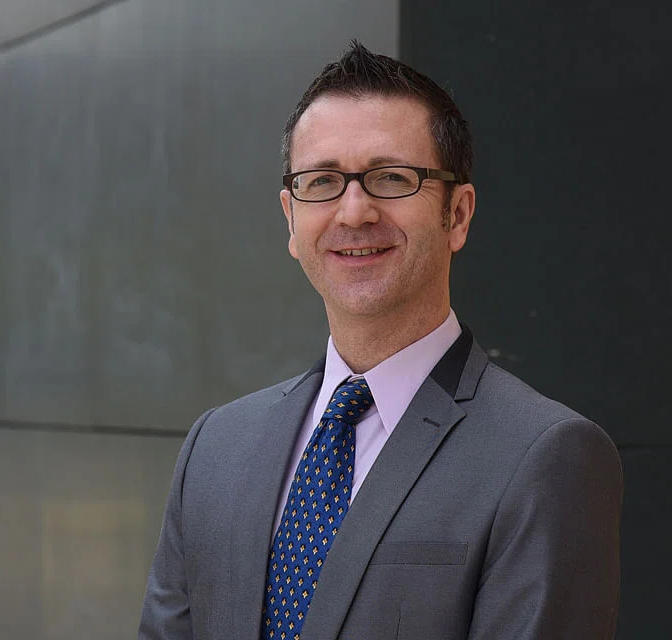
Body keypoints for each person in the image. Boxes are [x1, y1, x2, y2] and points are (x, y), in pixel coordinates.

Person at [139, 41, 623, 640]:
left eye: (391, 178)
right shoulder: (216, 448)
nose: (354, 212)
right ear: (290, 218)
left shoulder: (545, 457)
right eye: (323, 181)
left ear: (457, 214)